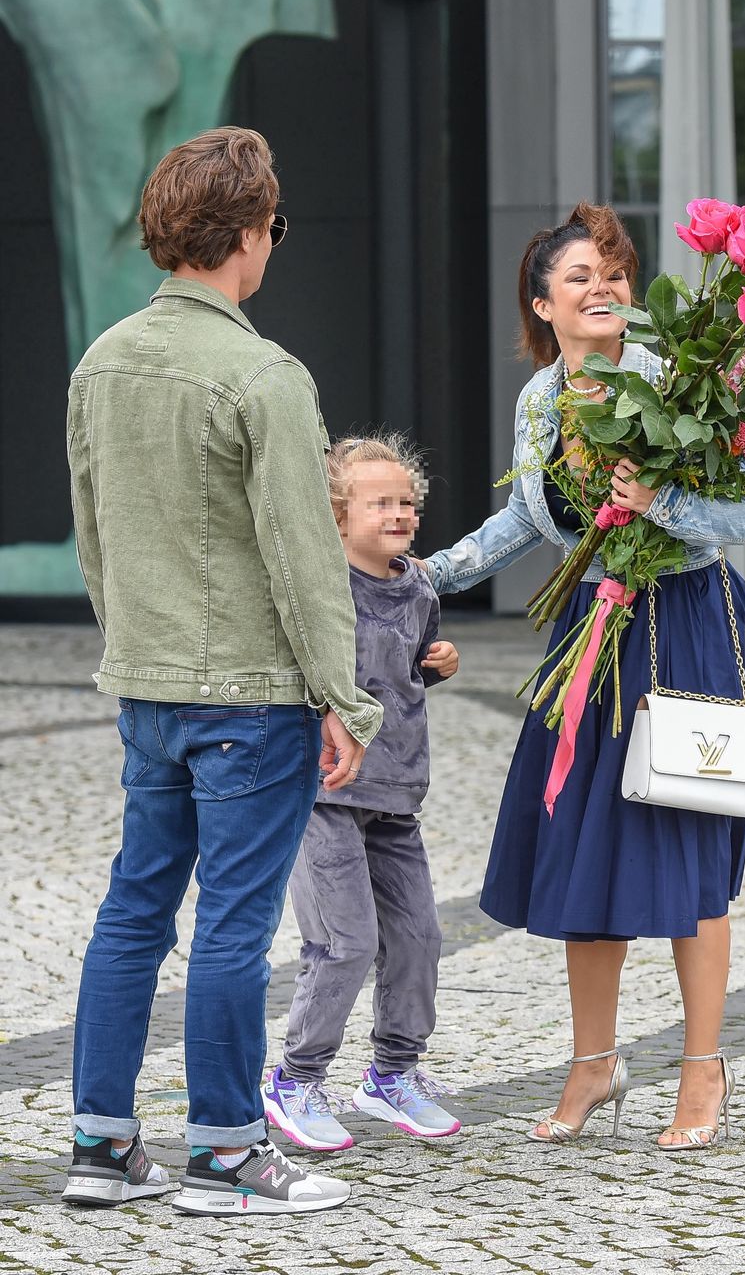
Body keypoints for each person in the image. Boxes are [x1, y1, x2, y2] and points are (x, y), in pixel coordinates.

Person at [63, 126, 382, 1216]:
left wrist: (134, 643)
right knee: (236, 926)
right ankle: (227, 1154)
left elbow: (92, 534)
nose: (272, 247)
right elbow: (305, 556)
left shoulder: (102, 359)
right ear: (246, 234)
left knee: (133, 913)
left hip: (148, 688)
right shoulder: (262, 373)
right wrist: (346, 697)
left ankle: (102, 1148)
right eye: (272, 227)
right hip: (247, 696)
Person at [422, 203, 745, 1151]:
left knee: (689, 847)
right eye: (578, 276)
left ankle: (703, 1070)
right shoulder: (541, 401)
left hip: (688, 624)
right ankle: (595, 1063)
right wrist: (428, 575)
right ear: (543, 304)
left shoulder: (679, 381)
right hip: (593, 630)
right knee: (583, 845)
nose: (602, 286)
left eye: (612, 271)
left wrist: (665, 499)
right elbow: (529, 520)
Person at [264, 435, 462, 1150]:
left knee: (418, 939)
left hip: (397, 795)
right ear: (337, 514)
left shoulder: (417, 585)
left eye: (407, 501)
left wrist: (438, 661)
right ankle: (294, 1079)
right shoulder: (321, 588)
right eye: (380, 502)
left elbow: (407, 667)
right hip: (325, 796)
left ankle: (392, 1074)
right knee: (344, 942)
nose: (400, 513)